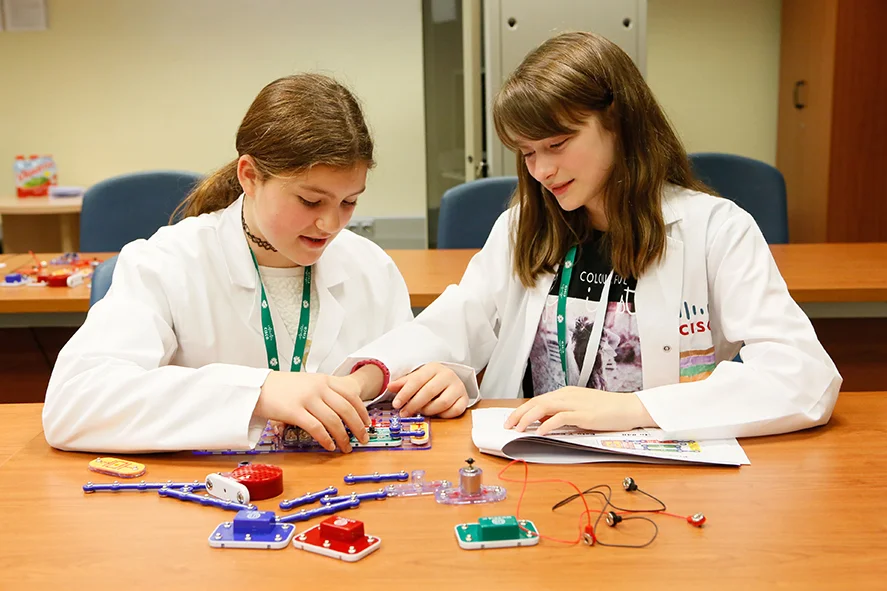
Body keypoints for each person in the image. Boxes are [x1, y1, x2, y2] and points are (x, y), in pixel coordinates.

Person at [339, 32, 842, 440]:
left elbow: (804, 377)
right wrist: (367, 380)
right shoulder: (522, 227)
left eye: (557, 144)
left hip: (661, 468)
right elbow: (456, 321)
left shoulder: (715, 229)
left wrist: (634, 409)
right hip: (532, 461)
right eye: (527, 152)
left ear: (619, 123)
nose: (542, 170)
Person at [44, 74, 417, 453]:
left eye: (349, 202)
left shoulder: (371, 266)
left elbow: (410, 362)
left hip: (344, 480)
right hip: (216, 485)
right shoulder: (166, 262)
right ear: (250, 176)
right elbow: (73, 405)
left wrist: (435, 379)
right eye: (310, 201)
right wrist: (258, 393)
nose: (331, 224)